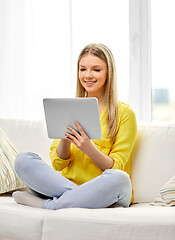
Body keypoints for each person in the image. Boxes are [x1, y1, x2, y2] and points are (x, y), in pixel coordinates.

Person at [12, 43, 137, 210]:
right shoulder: (70, 108)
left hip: (109, 188)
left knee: (119, 178)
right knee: (23, 159)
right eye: (83, 69)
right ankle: (80, 199)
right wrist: (65, 140)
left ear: (109, 73)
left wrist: (88, 148)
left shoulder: (125, 114)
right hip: (68, 185)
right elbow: (58, 164)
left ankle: (48, 204)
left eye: (96, 70)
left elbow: (117, 167)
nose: (88, 75)